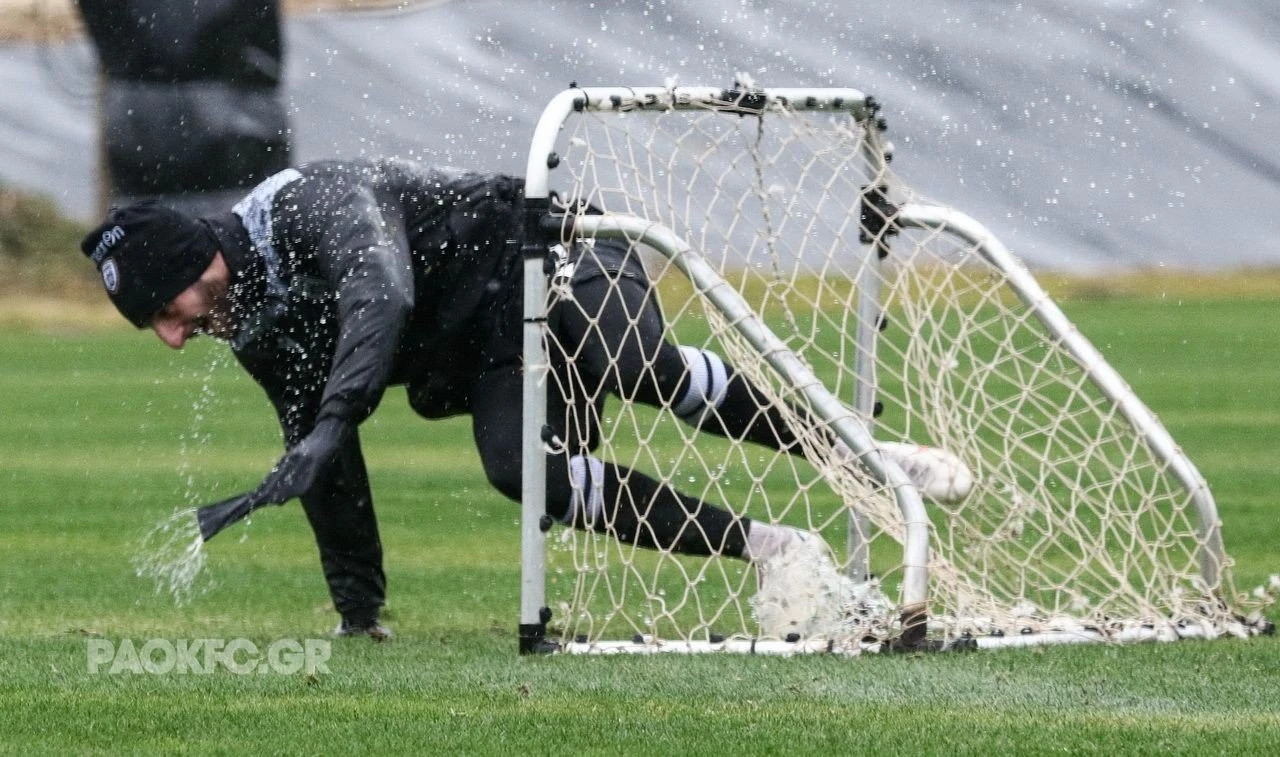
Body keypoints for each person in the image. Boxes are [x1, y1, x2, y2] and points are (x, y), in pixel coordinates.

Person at [82, 157, 967, 640]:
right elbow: (324, 457)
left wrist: (334, 417)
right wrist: (359, 611)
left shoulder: (311, 201)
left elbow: (381, 293)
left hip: (556, 258)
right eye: (154, 324)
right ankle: (774, 548)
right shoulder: (250, 317)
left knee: (633, 361)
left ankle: (868, 457)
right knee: (519, 471)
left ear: (196, 258)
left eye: (167, 308)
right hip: (496, 352)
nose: (172, 334)